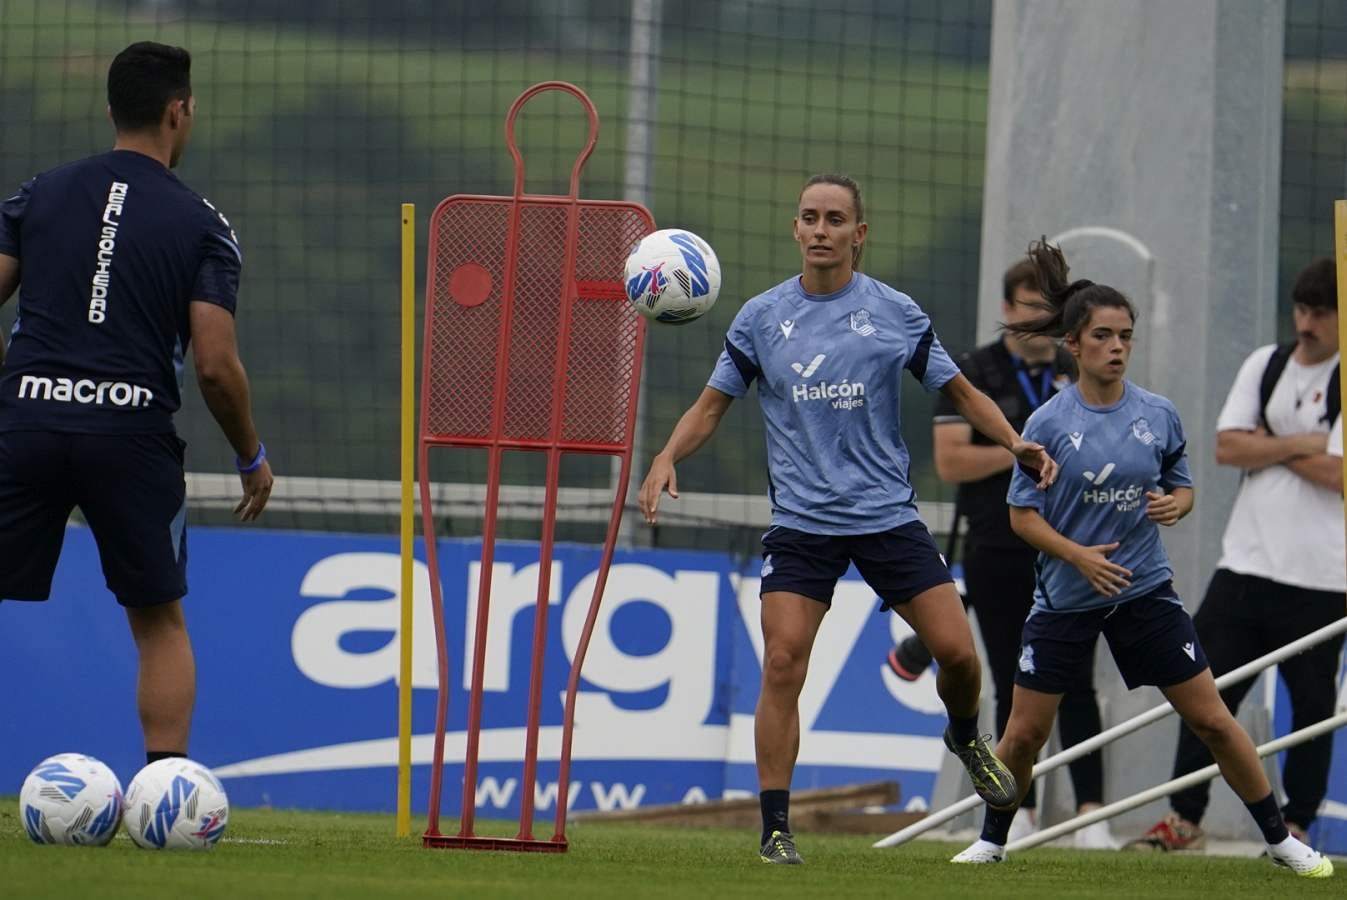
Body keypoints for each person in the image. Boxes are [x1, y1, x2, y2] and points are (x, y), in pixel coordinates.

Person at [637, 173, 1060, 865]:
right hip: (803, 524)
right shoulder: (760, 318)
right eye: (808, 217)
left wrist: (1013, 443)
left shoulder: (894, 313)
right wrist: (664, 457)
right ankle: (775, 828)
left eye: (835, 218)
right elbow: (711, 405)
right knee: (781, 661)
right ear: (795, 228)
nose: (820, 229)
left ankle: (962, 733)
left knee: (958, 654)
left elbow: (960, 390)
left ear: (858, 234)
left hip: (885, 518)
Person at [947, 240, 1331, 877]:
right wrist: (1078, 556)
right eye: (1103, 335)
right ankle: (993, 840)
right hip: (1067, 597)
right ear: (1074, 343)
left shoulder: (1158, 414)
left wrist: (1178, 504)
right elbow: (1021, 516)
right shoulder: (1045, 424)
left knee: (1211, 717)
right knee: (1022, 736)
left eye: (1126, 335)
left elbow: (1182, 481)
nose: (1118, 346)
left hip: (1144, 591)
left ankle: (1281, 841)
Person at [0, 42, 273, 768]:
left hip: (26, 421)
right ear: (178, 111)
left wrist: (17, 386)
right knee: (157, 622)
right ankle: (165, 792)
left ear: (110, 108)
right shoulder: (204, 225)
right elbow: (215, 366)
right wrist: (251, 456)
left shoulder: (39, 193)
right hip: (130, 437)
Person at [886, 260, 1113, 848]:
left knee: (1080, 679)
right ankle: (1024, 810)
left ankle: (1093, 815)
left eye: (1049, 308)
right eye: (1027, 305)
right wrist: (1026, 451)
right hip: (996, 543)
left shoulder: (1074, 369)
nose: (1038, 318)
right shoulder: (975, 368)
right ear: (1008, 310)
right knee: (1016, 675)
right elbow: (952, 462)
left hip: (1068, 544)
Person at [1128, 257, 1343, 853]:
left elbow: (1340, 474)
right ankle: (1184, 817)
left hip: (1324, 576)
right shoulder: (1266, 364)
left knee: (1313, 709)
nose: (1307, 323)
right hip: (1245, 565)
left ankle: (1295, 827)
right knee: (1203, 690)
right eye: (1301, 309)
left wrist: (1265, 447)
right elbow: (1225, 448)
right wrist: (1304, 442)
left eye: (1321, 312)